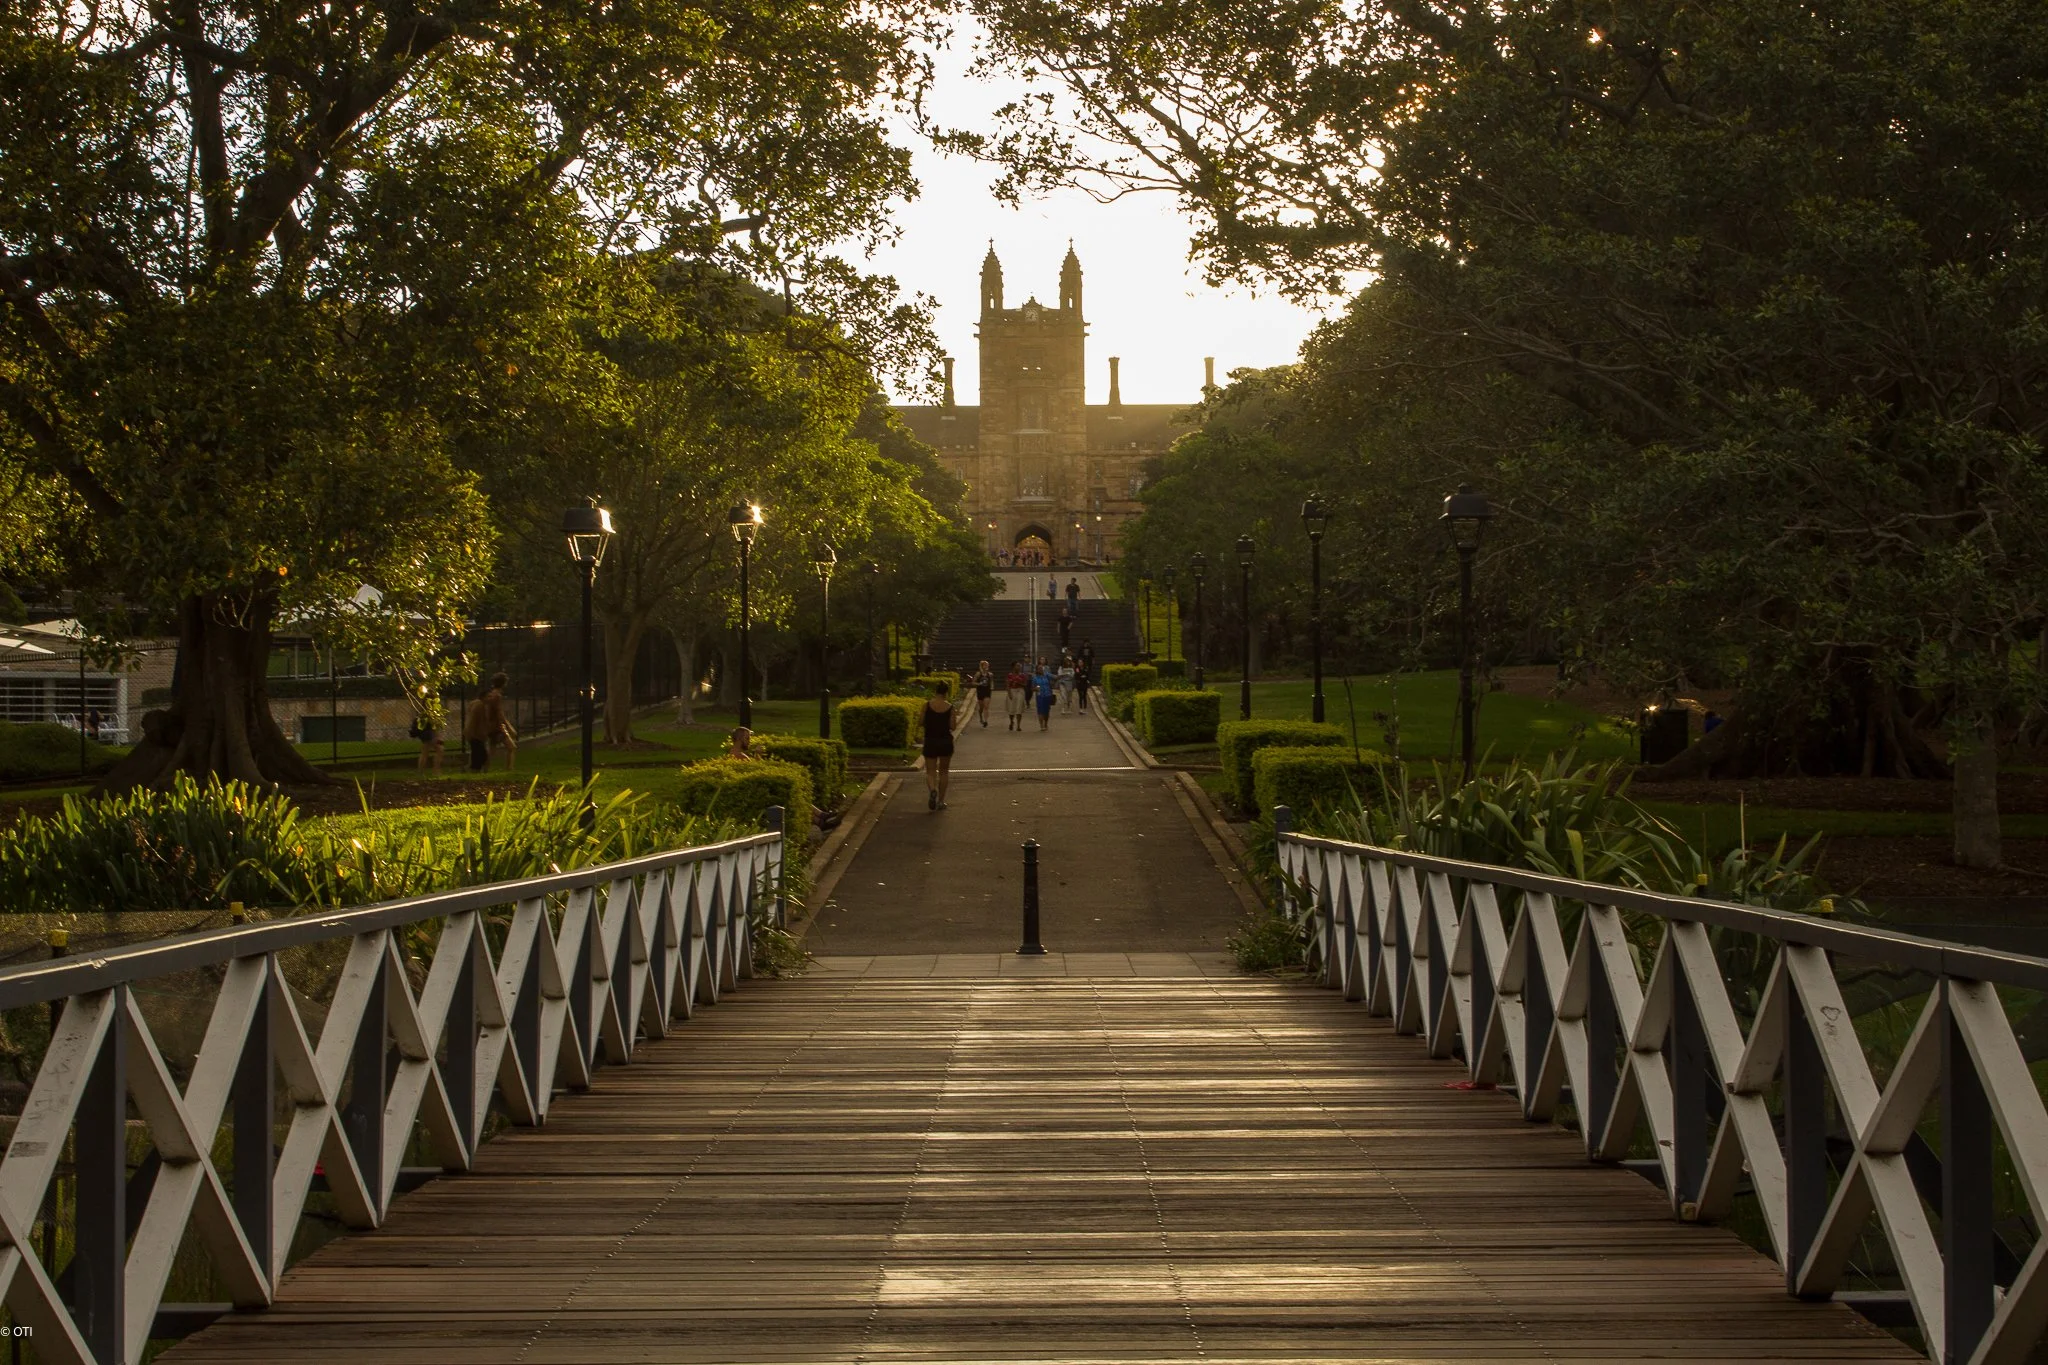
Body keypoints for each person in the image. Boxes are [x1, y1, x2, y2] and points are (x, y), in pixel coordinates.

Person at [464, 673, 516, 772]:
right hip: (497, 726)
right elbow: (499, 713)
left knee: (492, 750)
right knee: (511, 747)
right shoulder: (497, 696)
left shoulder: (491, 694)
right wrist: (509, 727)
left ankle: (485, 768)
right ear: (504, 683)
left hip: (492, 726)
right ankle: (509, 769)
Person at [920, 679, 956, 810]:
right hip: (945, 741)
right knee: (944, 772)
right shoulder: (950, 707)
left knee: (930, 771)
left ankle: (932, 790)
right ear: (946, 692)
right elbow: (953, 726)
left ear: (935, 691)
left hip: (930, 740)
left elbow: (920, 721)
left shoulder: (927, 705)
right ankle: (941, 801)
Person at [410, 707, 444, 775]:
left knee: (430, 750)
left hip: (427, 733)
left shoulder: (426, 707)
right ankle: (434, 771)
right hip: (428, 733)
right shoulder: (429, 707)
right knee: (434, 750)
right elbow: (433, 725)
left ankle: (423, 771)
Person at [1005, 661, 1028, 731]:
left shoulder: (1023, 675)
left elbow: (1025, 684)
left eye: (1019, 666)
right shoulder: (1010, 675)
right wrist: (1009, 693)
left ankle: (1018, 725)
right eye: (1017, 666)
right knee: (1011, 709)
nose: (1019, 667)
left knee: (1019, 708)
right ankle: (1011, 721)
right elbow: (1008, 685)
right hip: (1012, 691)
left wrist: (1019, 682)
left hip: (1020, 691)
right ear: (1013, 667)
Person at [972, 660, 995, 727]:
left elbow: (991, 682)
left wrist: (992, 687)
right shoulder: (978, 674)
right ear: (982, 666)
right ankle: (981, 717)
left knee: (986, 707)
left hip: (987, 691)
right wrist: (979, 684)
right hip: (980, 691)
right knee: (981, 707)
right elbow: (973, 682)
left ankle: (985, 721)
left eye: (987, 665)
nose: (986, 666)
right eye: (985, 665)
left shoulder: (990, 674)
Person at [1033, 662, 1055, 731]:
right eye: (1039, 668)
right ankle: (1041, 725)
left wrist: (1063, 675)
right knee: (1040, 711)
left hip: (1048, 694)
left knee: (1047, 711)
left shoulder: (1047, 675)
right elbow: (1032, 688)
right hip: (1040, 696)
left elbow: (1055, 677)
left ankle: (1046, 723)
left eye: (1041, 668)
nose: (1041, 669)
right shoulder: (1035, 678)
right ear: (1036, 670)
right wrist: (1035, 688)